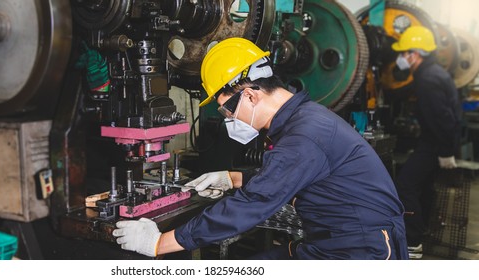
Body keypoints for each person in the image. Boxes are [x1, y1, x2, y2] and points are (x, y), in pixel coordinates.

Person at [113, 37, 409, 259]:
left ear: (251, 96)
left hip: (360, 249)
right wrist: (232, 178)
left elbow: (253, 204)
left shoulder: (304, 136)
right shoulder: (303, 120)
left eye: (227, 112)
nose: (228, 120)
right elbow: (290, 176)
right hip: (335, 239)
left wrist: (159, 243)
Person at [391, 26, 462, 259]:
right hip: (435, 141)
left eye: (404, 53)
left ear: (416, 54)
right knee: (423, 186)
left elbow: (444, 119)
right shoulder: (432, 73)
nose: (401, 58)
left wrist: (445, 152)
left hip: (435, 143)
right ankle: (423, 230)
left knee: (406, 184)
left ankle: (412, 242)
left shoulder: (428, 79)